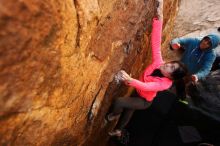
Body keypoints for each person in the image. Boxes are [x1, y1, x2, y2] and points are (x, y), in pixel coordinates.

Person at [105, 0, 188, 138]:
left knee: (120, 102)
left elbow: (147, 86)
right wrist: (159, 17)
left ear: (171, 77)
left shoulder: (163, 84)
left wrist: (129, 79)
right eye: (171, 63)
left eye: (171, 67)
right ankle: (119, 130)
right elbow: (155, 42)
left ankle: (114, 114)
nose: (167, 64)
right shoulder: (159, 63)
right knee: (130, 109)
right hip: (139, 92)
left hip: (144, 101)